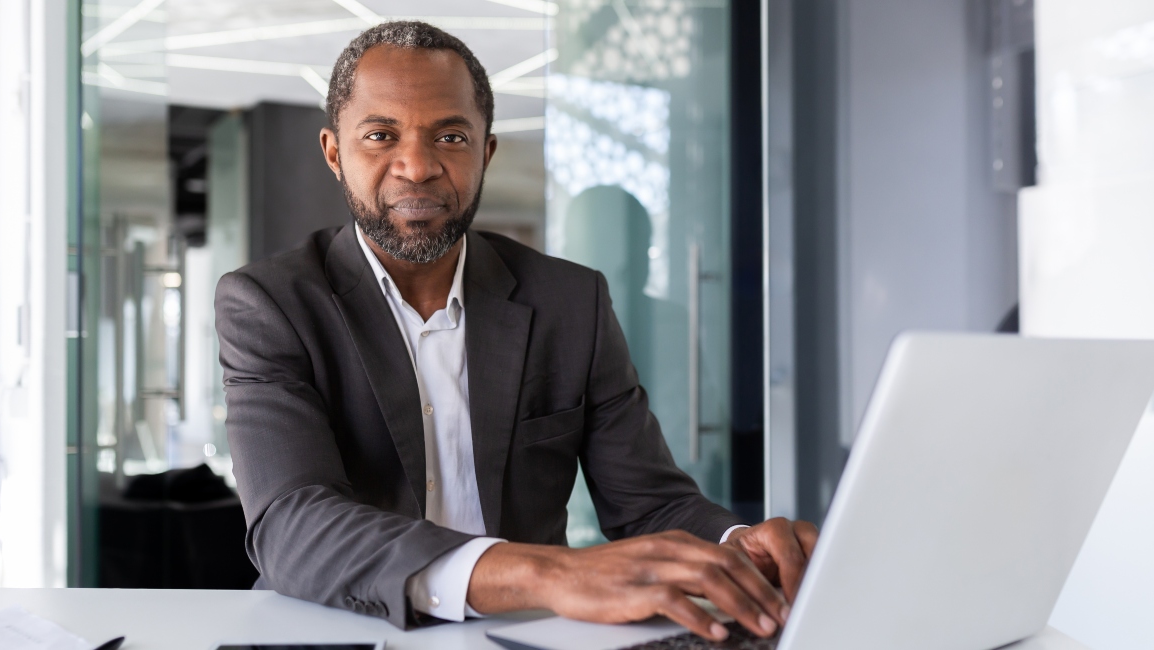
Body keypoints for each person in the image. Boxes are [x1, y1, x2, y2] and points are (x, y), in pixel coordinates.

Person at [215, 21, 817, 643]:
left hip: (525, 637)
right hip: (340, 631)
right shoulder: (271, 302)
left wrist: (735, 545)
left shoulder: (569, 300)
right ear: (335, 153)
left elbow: (650, 504)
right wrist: (550, 573)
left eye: (450, 136)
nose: (417, 166)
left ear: (486, 152)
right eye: (381, 135)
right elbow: (292, 524)